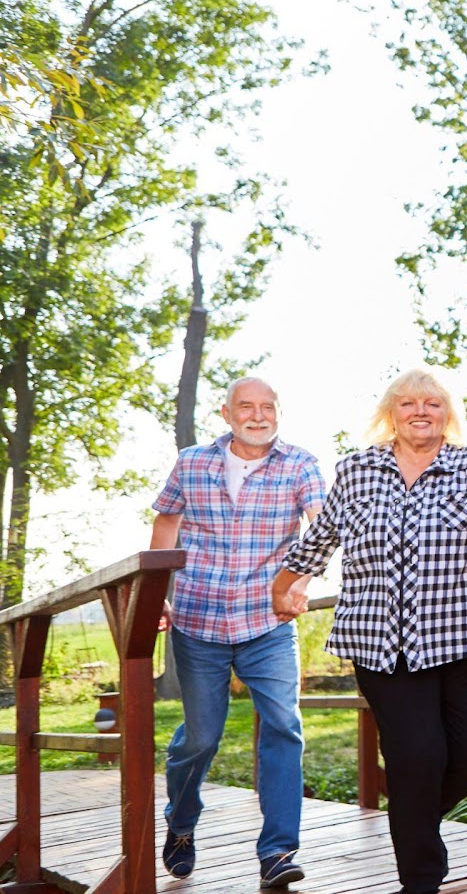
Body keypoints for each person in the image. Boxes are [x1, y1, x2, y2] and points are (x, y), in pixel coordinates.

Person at [270, 368, 467, 894]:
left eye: (433, 404)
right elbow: (321, 537)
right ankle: (421, 881)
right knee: (418, 757)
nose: (421, 411)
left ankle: (411, 817)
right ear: (390, 412)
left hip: (460, 638)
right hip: (380, 643)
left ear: (447, 413)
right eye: (409, 402)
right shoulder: (357, 469)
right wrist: (284, 586)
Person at [152, 376, 323, 888]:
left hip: (266, 622)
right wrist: (156, 590)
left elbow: (322, 525)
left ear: (278, 412)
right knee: (201, 738)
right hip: (198, 618)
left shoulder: (299, 463)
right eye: (246, 407)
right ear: (226, 414)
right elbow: (166, 526)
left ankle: (277, 852)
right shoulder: (192, 462)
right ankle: (181, 823)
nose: (258, 415)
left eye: (267, 407)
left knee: (283, 727)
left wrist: (299, 583)